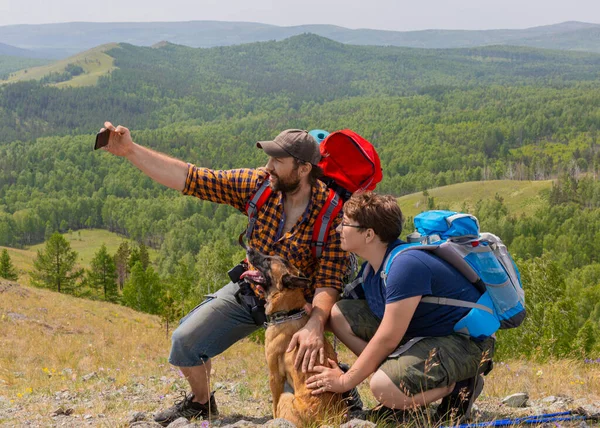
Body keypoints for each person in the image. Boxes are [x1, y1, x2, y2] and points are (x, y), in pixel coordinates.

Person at [99, 122, 352, 426]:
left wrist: (314, 325)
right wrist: (130, 151)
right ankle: (201, 403)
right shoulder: (259, 185)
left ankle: (345, 390)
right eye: (269, 159)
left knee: (328, 347)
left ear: (303, 169)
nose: (267, 166)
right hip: (253, 295)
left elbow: (330, 279)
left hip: (299, 311)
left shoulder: (333, 213)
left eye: (277, 161)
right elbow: (191, 178)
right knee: (185, 342)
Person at [307, 191, 494, 422]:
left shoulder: (405, 266)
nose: (338, 229)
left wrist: (344, 381)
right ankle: (400, 388)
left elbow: (388, 338)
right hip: (428, 337)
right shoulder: (372, 269)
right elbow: (337, 308)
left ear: (368, 235)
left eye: (345, 223)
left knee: (382, 387)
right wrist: (306, 320)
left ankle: (457, 386)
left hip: (468, 344)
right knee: (339, 315)